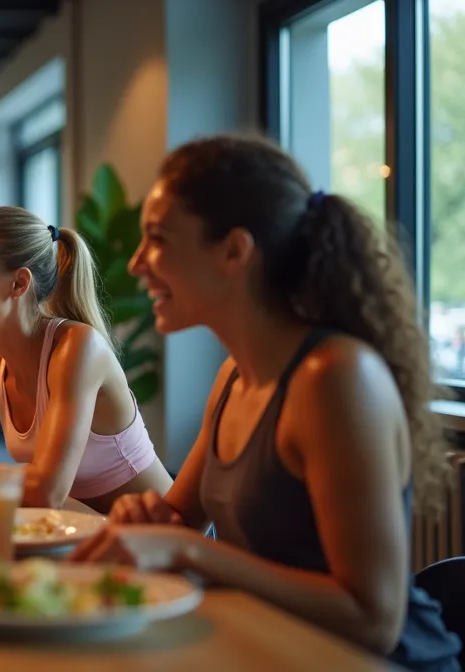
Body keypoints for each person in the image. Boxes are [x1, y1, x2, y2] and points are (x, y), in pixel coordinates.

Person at [70, 136, 461, 670]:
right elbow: (179, 520)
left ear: (234, 251)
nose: (137, 263)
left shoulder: (336, 379)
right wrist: (150, 518)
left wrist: (187, 550)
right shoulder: (235, 375)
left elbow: (373, 618)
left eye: (157, 239)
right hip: (272, 648)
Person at [0, 206, 173, 512]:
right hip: (83, 540)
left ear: (19, 284)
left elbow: (46, 491)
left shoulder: (77, 348)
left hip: (162, 543)